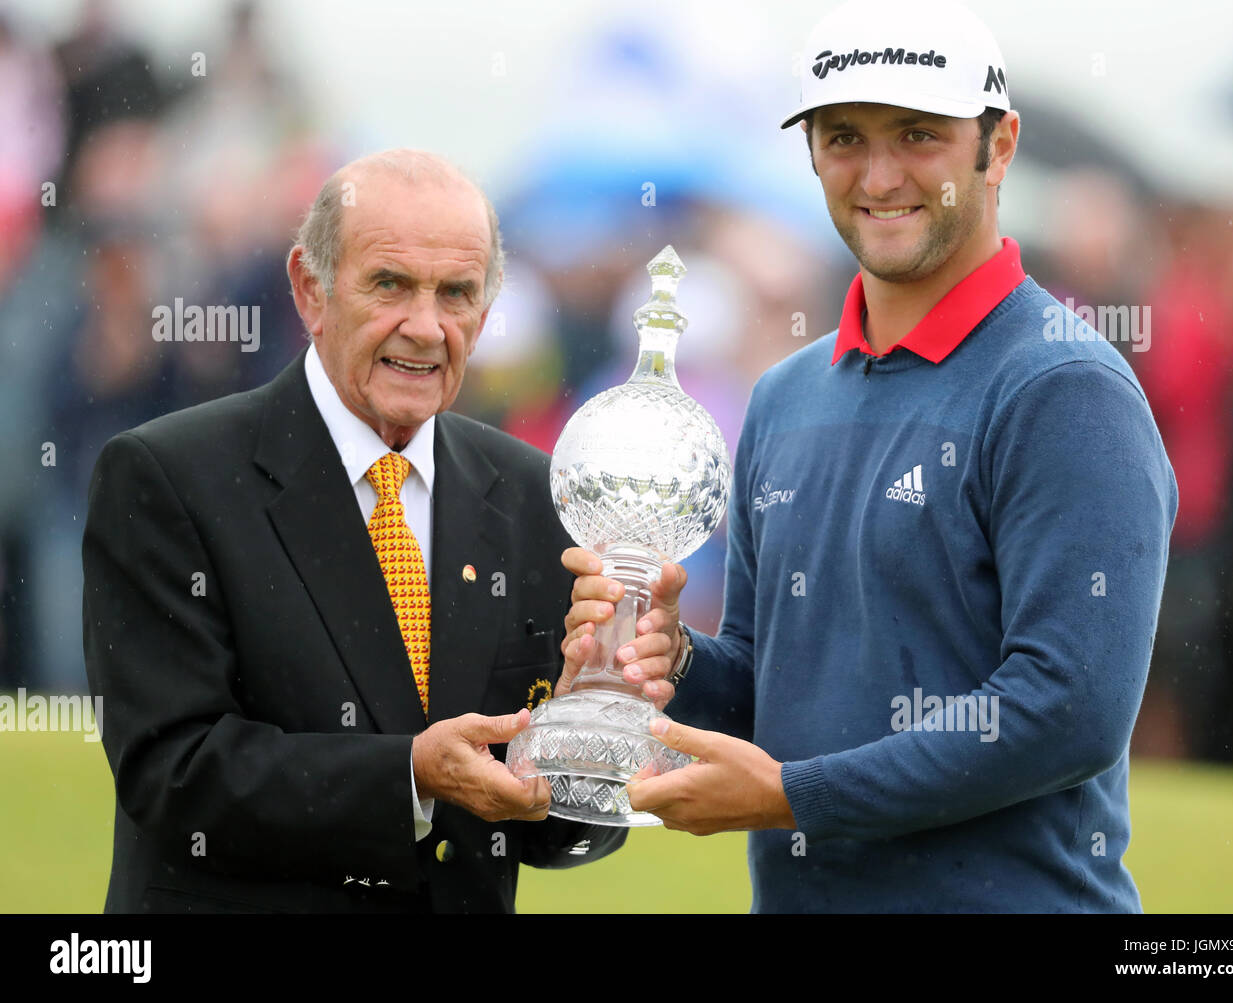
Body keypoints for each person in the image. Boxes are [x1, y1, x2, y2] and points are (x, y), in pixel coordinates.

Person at [557, 0, 1177, 912]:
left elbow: (1067, 709)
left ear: (998, 146)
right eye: (844, 136)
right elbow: (772, 684)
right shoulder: (784, 396)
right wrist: (672, 658)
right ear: (810, 152)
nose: (879, 174)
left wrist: (793, 796)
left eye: (918, 135)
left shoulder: (1063, 388)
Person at [82, 148, 626, 913]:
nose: (427, 327)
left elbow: (555, 831)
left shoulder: (535, 493)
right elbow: (172, 768)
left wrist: (594, 725)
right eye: (391, 284)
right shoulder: (169, 476)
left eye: (458, 293)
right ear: (311, 288)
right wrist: (408, 775)